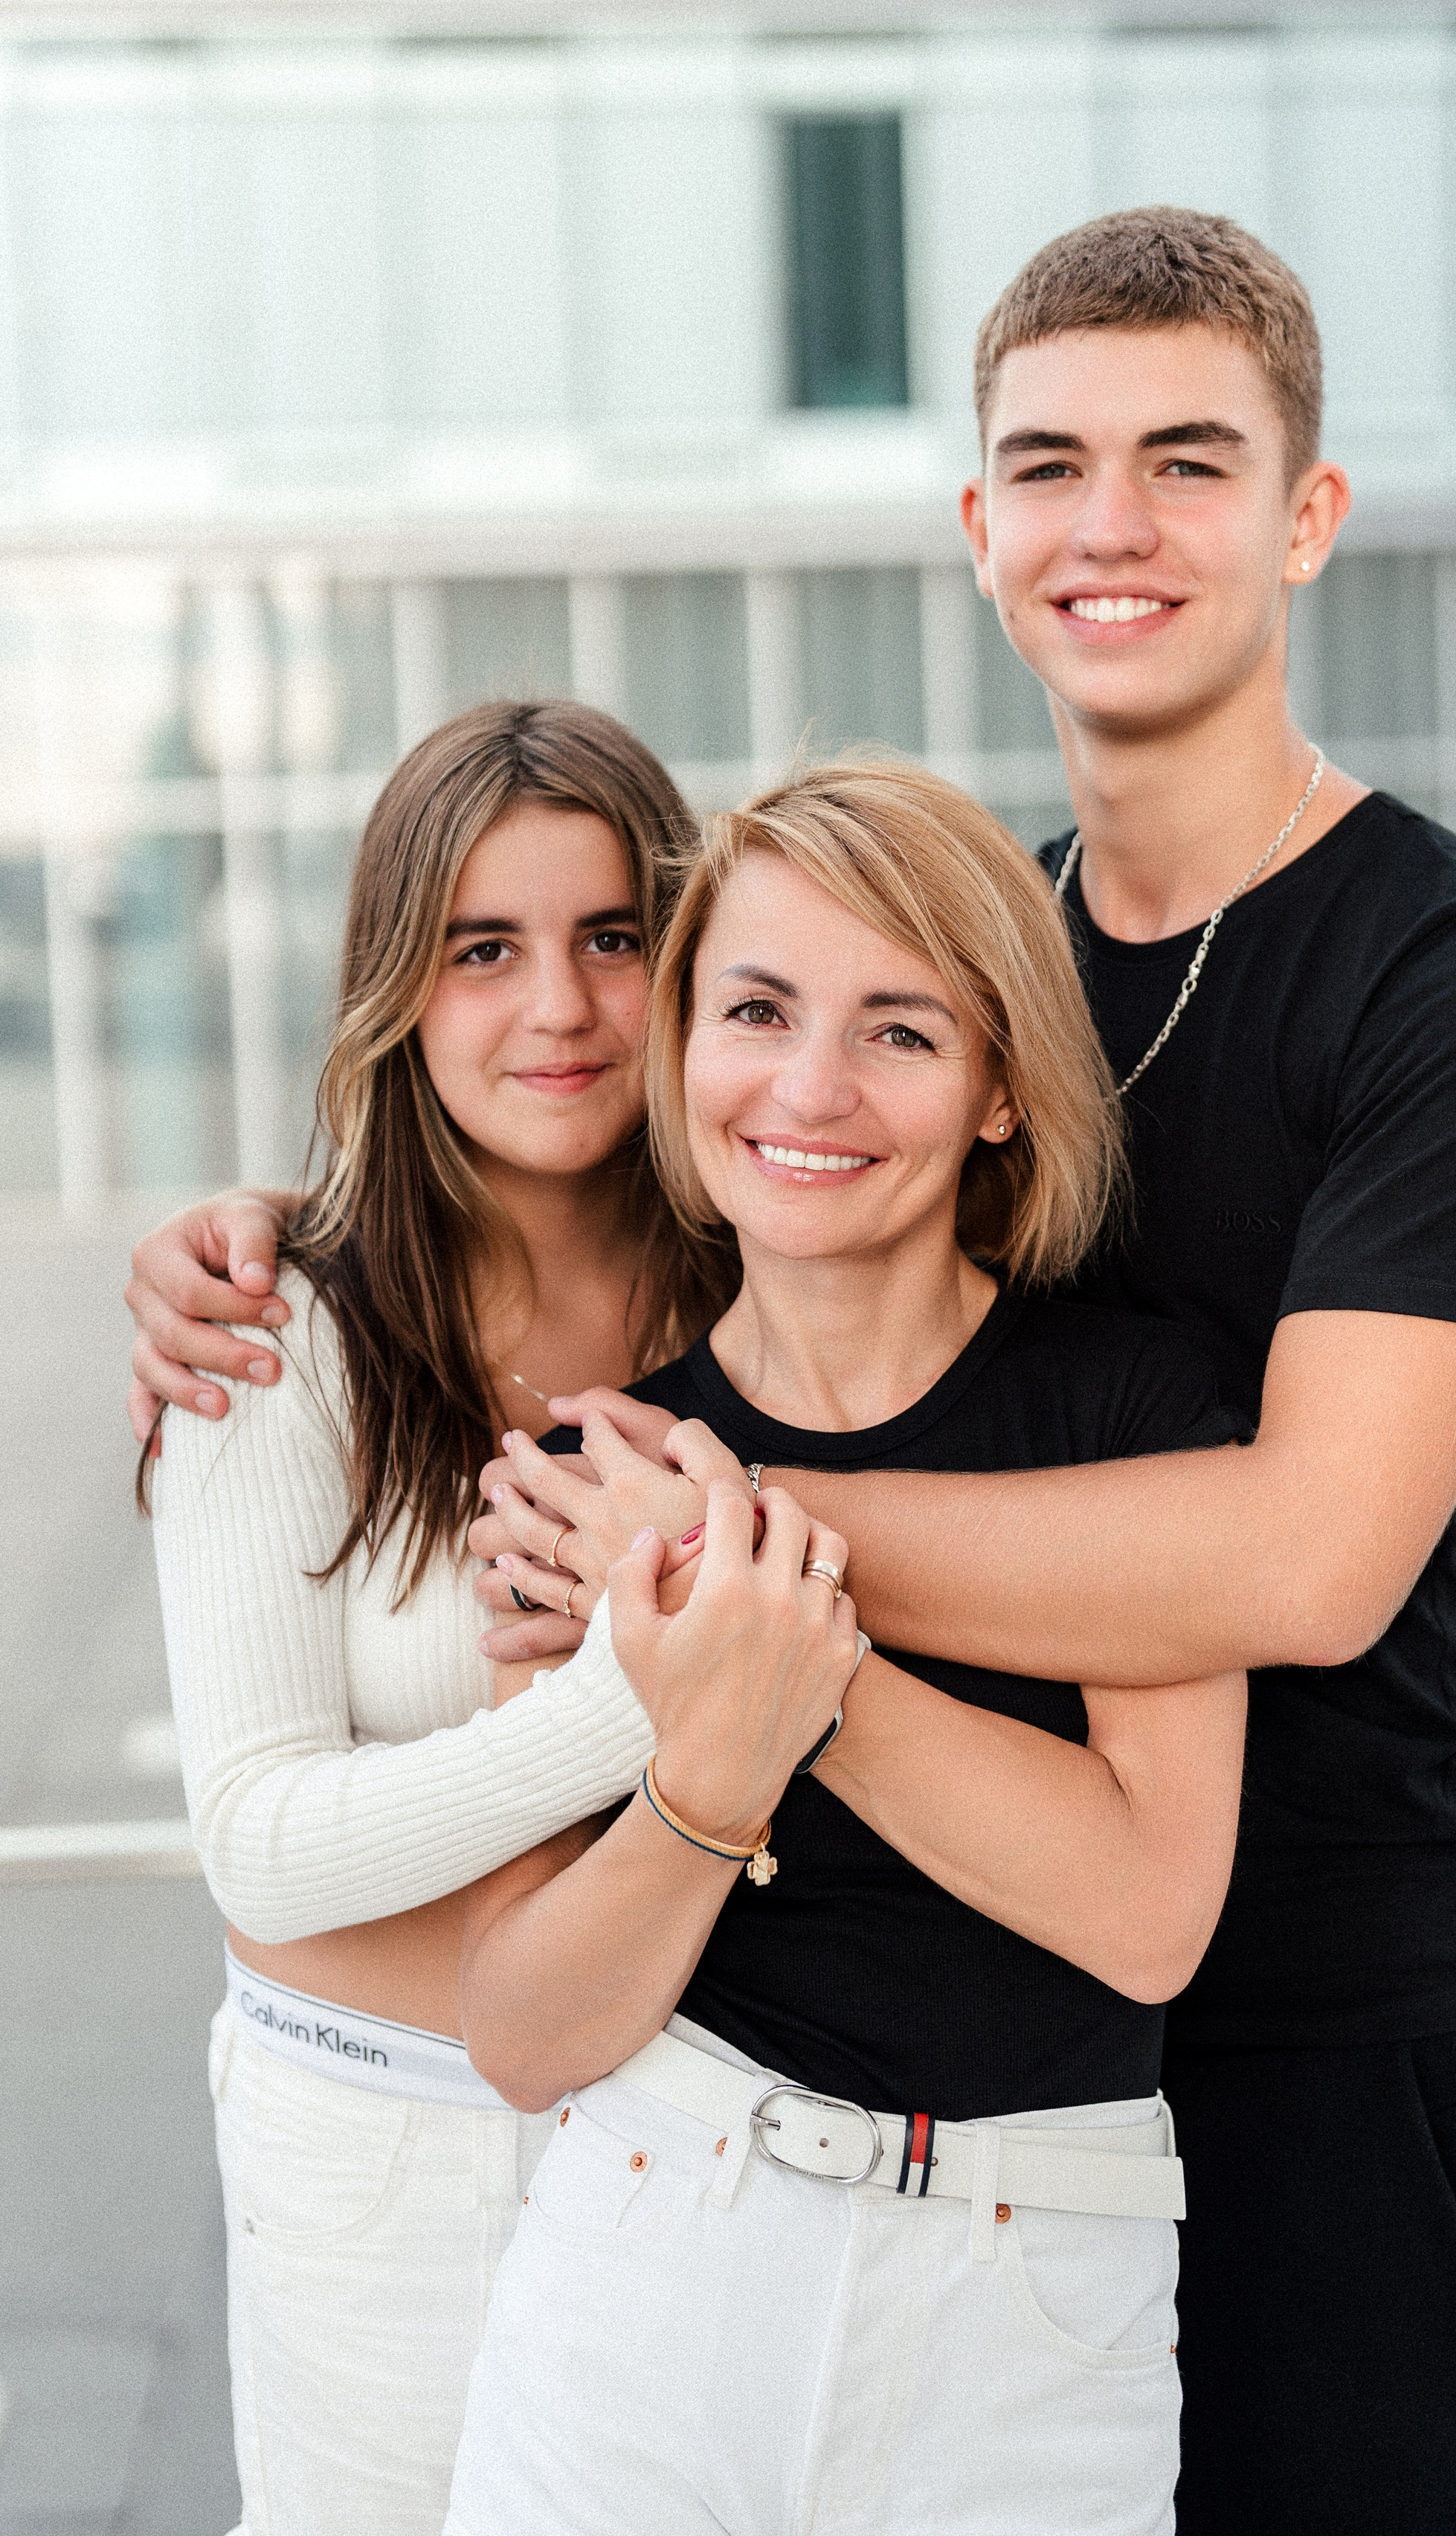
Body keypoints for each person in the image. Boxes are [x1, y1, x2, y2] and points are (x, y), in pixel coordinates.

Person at [130, 209, 1456, 2536]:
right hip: (807, 2138)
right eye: (1052, 465)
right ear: (982, 531)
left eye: (1188, 461)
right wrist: (262, 1247)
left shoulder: (1453, 972)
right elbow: (604, 1146)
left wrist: (710, 1576)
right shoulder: (937, 946)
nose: (1112, 522)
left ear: (1308, 516)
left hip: (1326, 2010)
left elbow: (1310, 1560)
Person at [441, 756, 1247, 2536]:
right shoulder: (590, 1477)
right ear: (679, 1059)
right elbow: (517, 2026)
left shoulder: (1136, 1413)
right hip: (649, 2267)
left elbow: (1146, 1911)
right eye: (754, 1010)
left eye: (897, 1030)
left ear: (998, 1091)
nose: (807, 1086)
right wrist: (709, 1776)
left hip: (1028, 2302)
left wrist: (767, 1629)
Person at [146, 699, 732, 2536]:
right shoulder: (275, 1327)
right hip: (380, 2158)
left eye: (609, 940)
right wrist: (627, 1704)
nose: (553, 1008)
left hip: (713, 2137)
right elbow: (259, 1843)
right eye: (484, 948)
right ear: (398, 983)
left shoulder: (779, 1298)